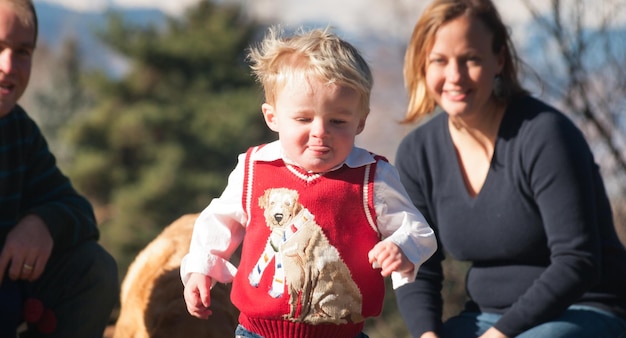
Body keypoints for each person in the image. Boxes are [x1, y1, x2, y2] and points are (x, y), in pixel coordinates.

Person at [180, 25, 437, 338]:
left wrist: (401, 247)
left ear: (360, 121)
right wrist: (201, 268)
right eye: (303, 119)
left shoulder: (372, 177)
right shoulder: (256, 166)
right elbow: (219, 220)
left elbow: (419, 231)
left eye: (338, 121)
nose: (320, 131)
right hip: (257, 333)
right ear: (272, 117)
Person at [393, 0, 626, 337]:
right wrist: (426, 334)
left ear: (499, 60)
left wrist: (501, 334)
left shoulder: (545, 134)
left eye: (470, 59)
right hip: (486, 316)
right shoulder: (417, 153)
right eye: (439, 61)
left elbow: (578, 261)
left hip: (585, 310)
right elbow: (420, 262)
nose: (454, 76)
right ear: (422, 66)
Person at [0, 0, 119, 337]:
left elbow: (78, 210)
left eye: (22, 51)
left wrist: (42, 224)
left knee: (92, 269)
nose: (8, 65)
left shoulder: (18, 132)